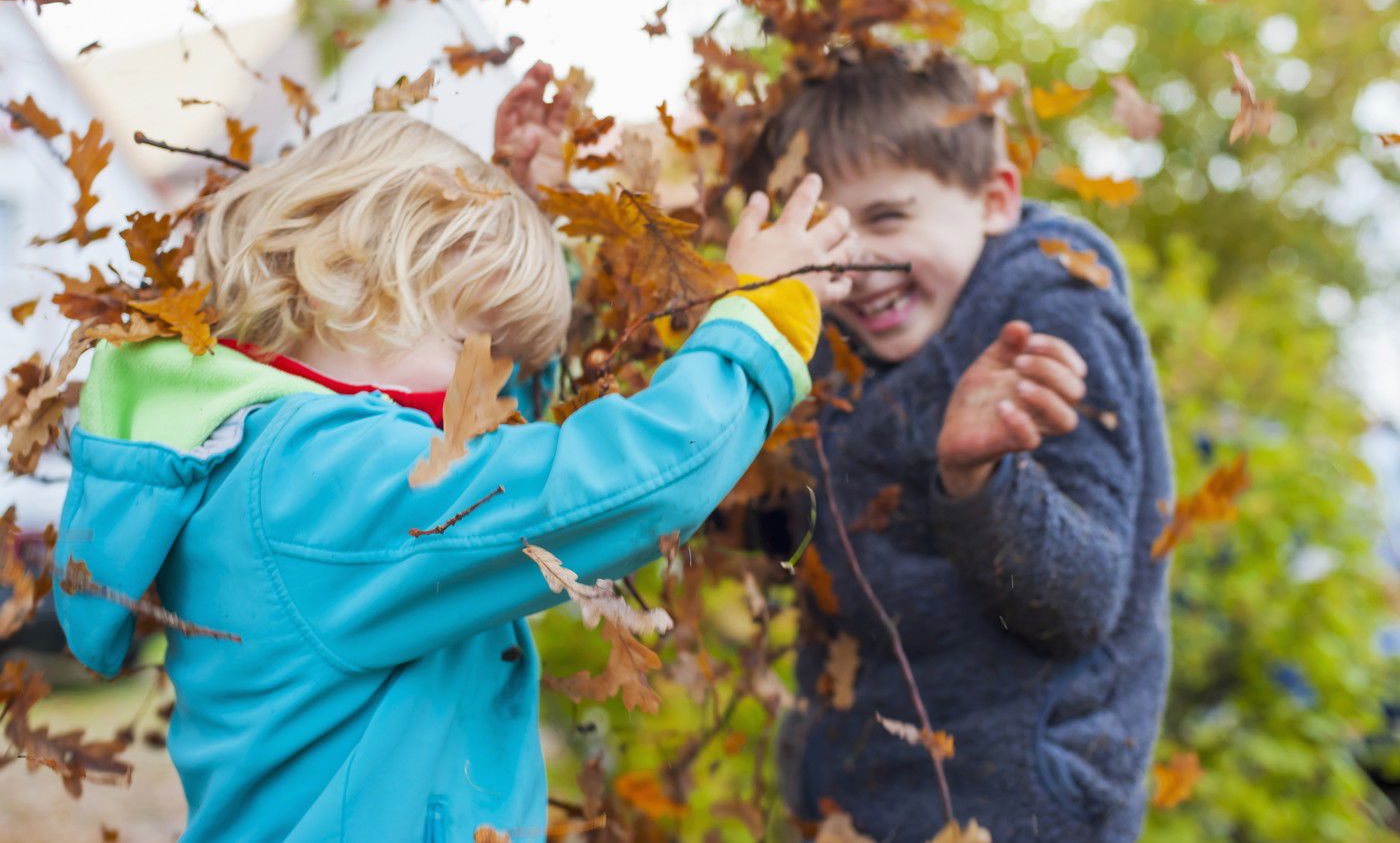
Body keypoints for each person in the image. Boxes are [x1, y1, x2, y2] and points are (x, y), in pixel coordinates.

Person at [54, 68, 856, 841]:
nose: (496, 383)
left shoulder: (251, 456)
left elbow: (485, 461)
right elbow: (602, 489)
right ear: (340, 277)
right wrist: (757, 323)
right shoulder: (313, 478)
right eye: (471, 340)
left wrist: (518, 212)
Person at [735, 50, 1174, 842]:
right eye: (828, 233)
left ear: (994, 198)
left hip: (1019, 808)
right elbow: (787, 528)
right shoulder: (827, 347)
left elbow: (1083, 602)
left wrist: (977, 478)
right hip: (852, 800)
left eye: (887, 218)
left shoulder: (1050, 319)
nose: (854, 263)